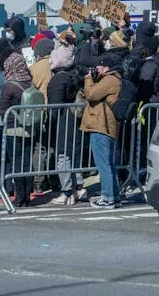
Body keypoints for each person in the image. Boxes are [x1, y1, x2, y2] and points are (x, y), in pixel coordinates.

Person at [47, 34, 86, 206]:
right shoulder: (75, 73)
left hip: (64, 119)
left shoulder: (59, 78)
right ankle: (78, 187)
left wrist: (50, 121)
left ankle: (67, 191)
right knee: (73, 153)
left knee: (63, 155)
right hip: (76, 117)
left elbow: (55, 105)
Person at [82, 56, 122, 209]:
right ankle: (114, 196)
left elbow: (91, 95)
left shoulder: (109, 79)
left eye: (98, 68)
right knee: (108, 164)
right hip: (104, 124)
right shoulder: (111, 79)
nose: (96, 70)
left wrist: (88, 79)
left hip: (101, 125)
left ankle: (108, 197)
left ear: (106, 68)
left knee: (103, 164)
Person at [0, 51, 35, 207]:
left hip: (13, 128)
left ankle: (20, 197)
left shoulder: (9, 86)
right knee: (27, 162)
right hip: (30, 127)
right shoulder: (31, 83)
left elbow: (2, 108)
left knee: (17, 163)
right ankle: (27, 195)